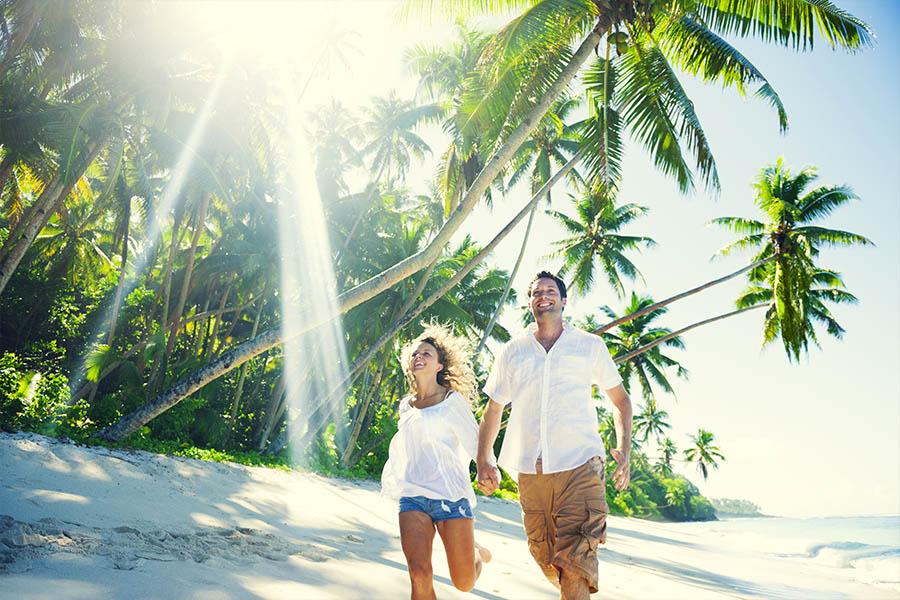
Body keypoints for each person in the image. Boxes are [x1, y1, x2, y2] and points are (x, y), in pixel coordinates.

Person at [476, 271, 633, 600]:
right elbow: (493, 409)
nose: (542, 296)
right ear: (530, 303)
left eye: (550, 291)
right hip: (532, 473)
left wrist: (624, 450)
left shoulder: (589, 346)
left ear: (564, 301)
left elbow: (621, 401)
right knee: (546, 558)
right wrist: (483, 460)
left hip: (581, 467)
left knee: (576, 561)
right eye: (536, 292)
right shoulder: (514, 351)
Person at [381, 323, 491, 599]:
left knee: (464, 583)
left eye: (427, 353)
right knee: (419, 574)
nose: (419, 357)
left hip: (451, 498)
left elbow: (477, 444)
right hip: (413, 496)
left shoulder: (452, 401)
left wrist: (487, 468)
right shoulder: (406, 405)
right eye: (415, 354)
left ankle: (475, 552)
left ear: (440, 365)